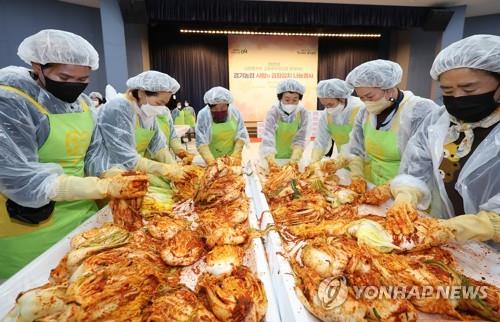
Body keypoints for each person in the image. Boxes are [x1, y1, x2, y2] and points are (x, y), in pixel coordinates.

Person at [0, 29, 147, 278]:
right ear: (38, 66)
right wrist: (101, 188)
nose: (74, 87)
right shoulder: (11, 103)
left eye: (83, 80)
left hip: (84, 219)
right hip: (31, 227)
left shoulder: (82, 104)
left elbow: (94, 154)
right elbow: (19, 178)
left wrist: (111, 173)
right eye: (65, 77)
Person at [389, 35, 500, 243]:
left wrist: (488, 224)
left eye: (469, 90)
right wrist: (408, 192)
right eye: (447, 91)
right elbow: (416, 166)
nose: (457, 97)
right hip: (455, 240)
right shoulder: (439, 121)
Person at [343, 59, 439, 185]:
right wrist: (356, 172)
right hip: (372, 183)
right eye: (361, 97)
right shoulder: (364, 113)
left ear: (389, 89)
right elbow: (355, 149)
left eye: (370, 96)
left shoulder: (418, 111)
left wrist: (406, 191)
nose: (366, 102)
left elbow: (421, 161)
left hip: (406, 188)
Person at [86, 71, 188, 178]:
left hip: (133, 169)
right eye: (159, 103)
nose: (161, 108)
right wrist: (164, 169)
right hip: (110, 172)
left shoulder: (145, 112)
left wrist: (173, 166)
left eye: (164, 104)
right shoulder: (118, 108)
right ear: (141, 93)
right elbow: (125, 158)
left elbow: (158, 145)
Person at [310, 79, 364, 164]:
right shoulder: (326, 115)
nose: (328, 108)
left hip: (366, 164)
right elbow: (321, 142)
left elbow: (362, 140)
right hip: (344, 164)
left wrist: (344, 156)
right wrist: (314, 161)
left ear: (342, 98)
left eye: (330, 104)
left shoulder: (361, 108)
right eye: (325, 105)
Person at [261, 79, 310, 166]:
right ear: (280, 98)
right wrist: (271, 159)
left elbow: (301, 137)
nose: (291, 103)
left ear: (299, 99)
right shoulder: (274, 112)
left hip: (294, 156)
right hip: (273, 156)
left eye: (295, 100)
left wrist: (294, 158)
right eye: (287, 100)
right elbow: (268, 136)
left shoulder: (302, 113)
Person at [196, 86, 249, 165]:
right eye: (215, 108)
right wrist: (211, 162)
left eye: (223, 107)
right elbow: (201, 142)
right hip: (212, 158)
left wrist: (236, 155)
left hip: (232, 159)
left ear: (228, 104)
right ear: (209, 106)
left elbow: (241, 134)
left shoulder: (235, 113)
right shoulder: (203, 115)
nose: (219, 111)